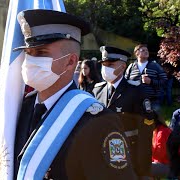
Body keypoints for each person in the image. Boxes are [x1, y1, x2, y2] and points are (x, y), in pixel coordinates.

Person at [9, 9, 136, 179]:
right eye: (28, 53)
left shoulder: (99, 122)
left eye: (41, 53)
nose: (30, 61)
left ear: (70, 62)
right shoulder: (24, 106)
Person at [93, 46, 156, 177]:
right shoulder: (97, 91)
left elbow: (145, 133)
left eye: (110, 64)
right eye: (103, 65)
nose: (105, 68)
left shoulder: (136, 91)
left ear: (122, 67)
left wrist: (143, 170)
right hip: (101, 157)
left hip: (128, 155)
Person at [125, 44, 167, 114]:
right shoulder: (131, 66)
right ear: (137, 53)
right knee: (136, 123)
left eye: (147, 50)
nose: (146, 52)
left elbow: (164, 80)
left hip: (152, 102)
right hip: (134, 101)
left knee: (155, 123)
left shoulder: (155, 66)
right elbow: (125, 82)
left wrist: (151, 81)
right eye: (143, 50)